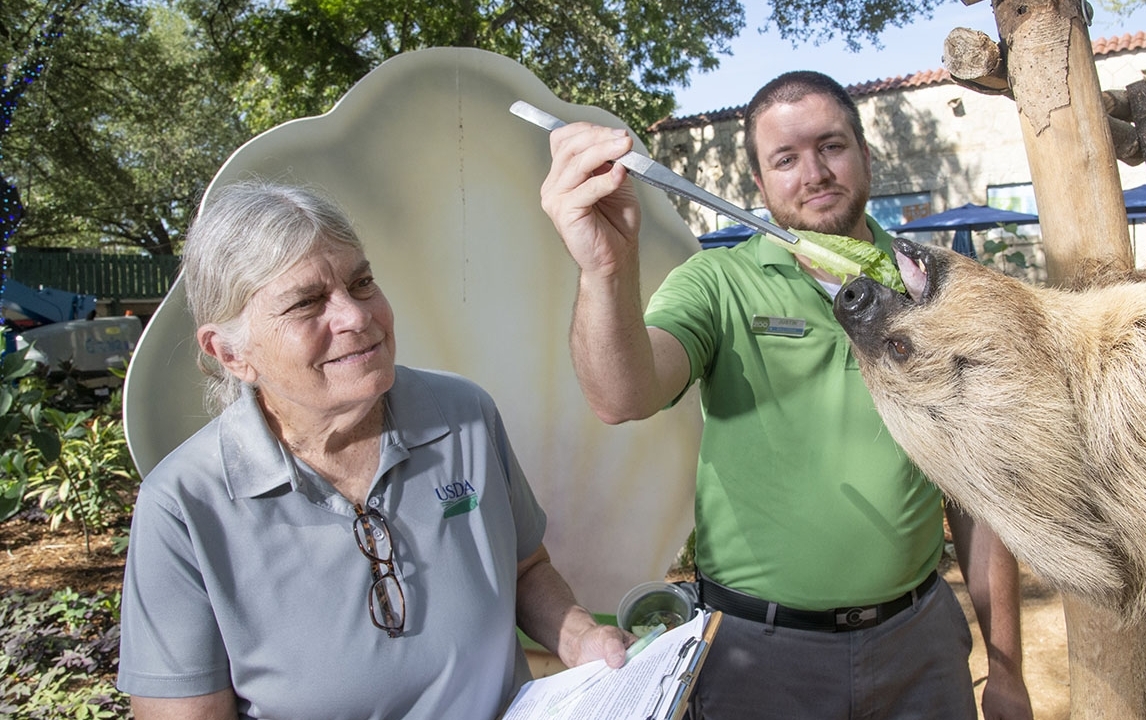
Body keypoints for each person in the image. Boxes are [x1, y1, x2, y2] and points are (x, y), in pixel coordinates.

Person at [538, 71, 1035, 719]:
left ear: (866, 153)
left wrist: (1006, 670)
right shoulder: (718, 282)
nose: (814, 172)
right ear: (759, 185)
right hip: (759, 658)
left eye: (831, 146)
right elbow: (621, 394)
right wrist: (605, 268)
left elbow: (980, 497)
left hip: (920, 643)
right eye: (785, 159)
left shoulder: (933, 286)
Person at [116, 181, 631, 719]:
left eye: (361, 283)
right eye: (307, 303)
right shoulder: (183, 507)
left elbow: (525, 569)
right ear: (230, 353)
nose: (356, 316)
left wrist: (579, 638)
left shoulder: (462, 416)